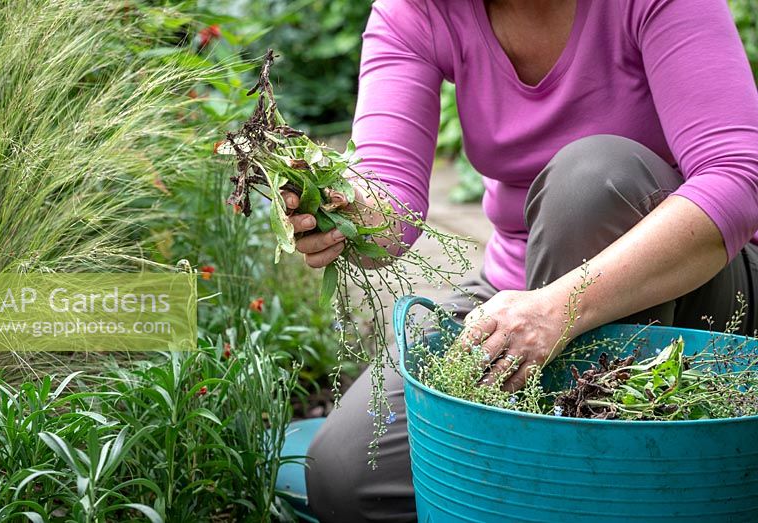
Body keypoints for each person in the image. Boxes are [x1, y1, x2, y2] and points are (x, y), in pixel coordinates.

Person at [282, 0, 758, 521]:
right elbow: (388, 200)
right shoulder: (419, 10)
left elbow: (738, 180)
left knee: (591, 181)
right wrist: (345, 211)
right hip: (519, 293)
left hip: (693, 289)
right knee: (348, 475)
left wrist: (561, 308)